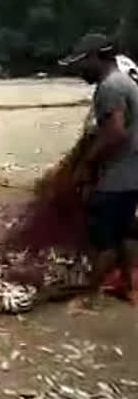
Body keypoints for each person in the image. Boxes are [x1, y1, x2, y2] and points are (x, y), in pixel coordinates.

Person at [60, 34, 138, 302]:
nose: (80, 71)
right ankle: (128, 286)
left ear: (96, 58)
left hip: (117, 176)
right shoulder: (124, 81)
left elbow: (115, 133)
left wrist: (87, 165)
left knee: (102, 237)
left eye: (82, 63)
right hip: (132, 174)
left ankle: (87, 294)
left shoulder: (110, 88)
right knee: (123, 232)